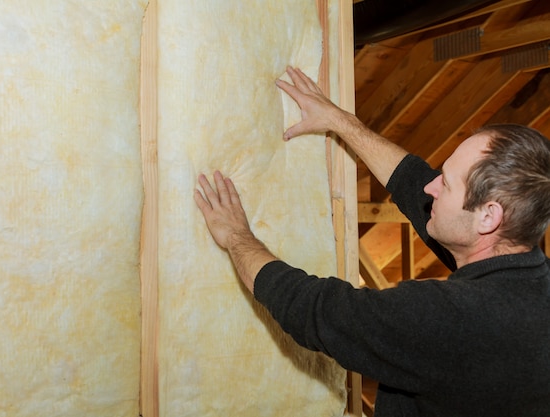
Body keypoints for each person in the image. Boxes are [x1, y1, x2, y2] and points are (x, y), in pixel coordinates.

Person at [194, 66, 550, 416]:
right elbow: (414, 184)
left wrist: (236, 236)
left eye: (447, 182)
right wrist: (340, 121)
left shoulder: (451, 320)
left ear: (489, 217)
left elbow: (312, 309)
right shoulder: (530, 281)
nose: (431, 187)